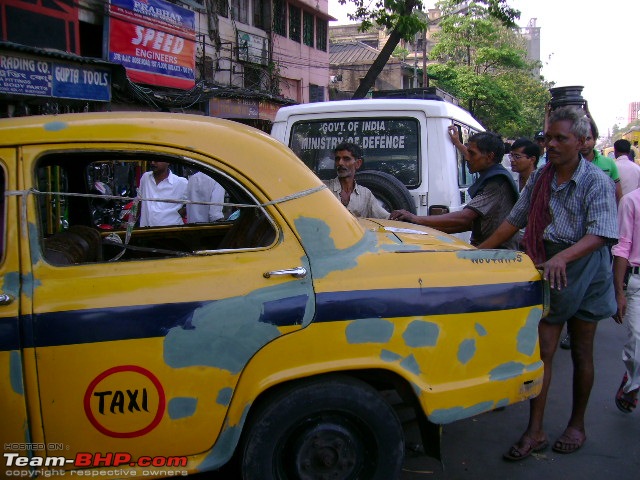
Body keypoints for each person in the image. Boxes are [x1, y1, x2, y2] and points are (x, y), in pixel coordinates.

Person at [478, 106, 618, 460]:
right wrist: (477, 254)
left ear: (582, 142)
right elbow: (514, 221)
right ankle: (535, 430)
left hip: (587, 267)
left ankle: (577, 425)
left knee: (584, 350)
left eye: (560, 138)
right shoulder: (541, 178)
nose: (551, 144)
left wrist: (563, 257)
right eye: (548, 137)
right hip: (551, 264)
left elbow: (602, 232)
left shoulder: (596, 180)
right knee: (543, 351)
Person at [390, 127, 519, 249]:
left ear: (490, 157)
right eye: (467, 152)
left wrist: (415, 218)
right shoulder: (491, 173)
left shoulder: (496, 182)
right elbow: (466, 224)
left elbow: (465, 218)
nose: (467, 158)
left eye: (471, 154)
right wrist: (419, 226)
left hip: (499, 254)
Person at [612, 187, 640, 413]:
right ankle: (633, 380)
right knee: (636, 343)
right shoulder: (631, 201)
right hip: (636, 282)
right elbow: (622, 247)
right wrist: (619, 291)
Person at [324, 142, 389, 219]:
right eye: (337, 159)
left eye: (346, 159)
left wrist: (401, 215)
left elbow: (384, 217)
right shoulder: (322, 188)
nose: (340, 163)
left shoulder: (365, 194)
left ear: (358, 163)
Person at [581, 117, 623, 203]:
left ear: (595, 140)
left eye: (588, 139)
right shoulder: (570, 165)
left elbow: (618, 194)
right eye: (581, 139)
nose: (584, 143)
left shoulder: (609, 163)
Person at [138, 161, 188, 227]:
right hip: (146, 231)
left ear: (168, 162)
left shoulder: (181, 182)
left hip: (170, 231)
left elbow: (194, 203)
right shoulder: (145, 177)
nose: (152, 163)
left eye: (157, 160)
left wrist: (181, 212)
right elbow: (139, 201)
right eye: (151, 160)